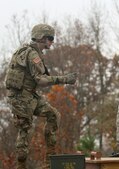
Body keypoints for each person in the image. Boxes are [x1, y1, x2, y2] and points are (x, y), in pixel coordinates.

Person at [5, 24, 77, 169]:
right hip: (21, 99)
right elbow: (41, 80)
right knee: (24, 131)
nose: (52, 42)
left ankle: (49, 162)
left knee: (53, 115)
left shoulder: (27, 51)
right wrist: (64, 79)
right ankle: (21, 166)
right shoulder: (32, 54)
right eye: (50, 38)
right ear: (42, 38)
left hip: (29, 96)